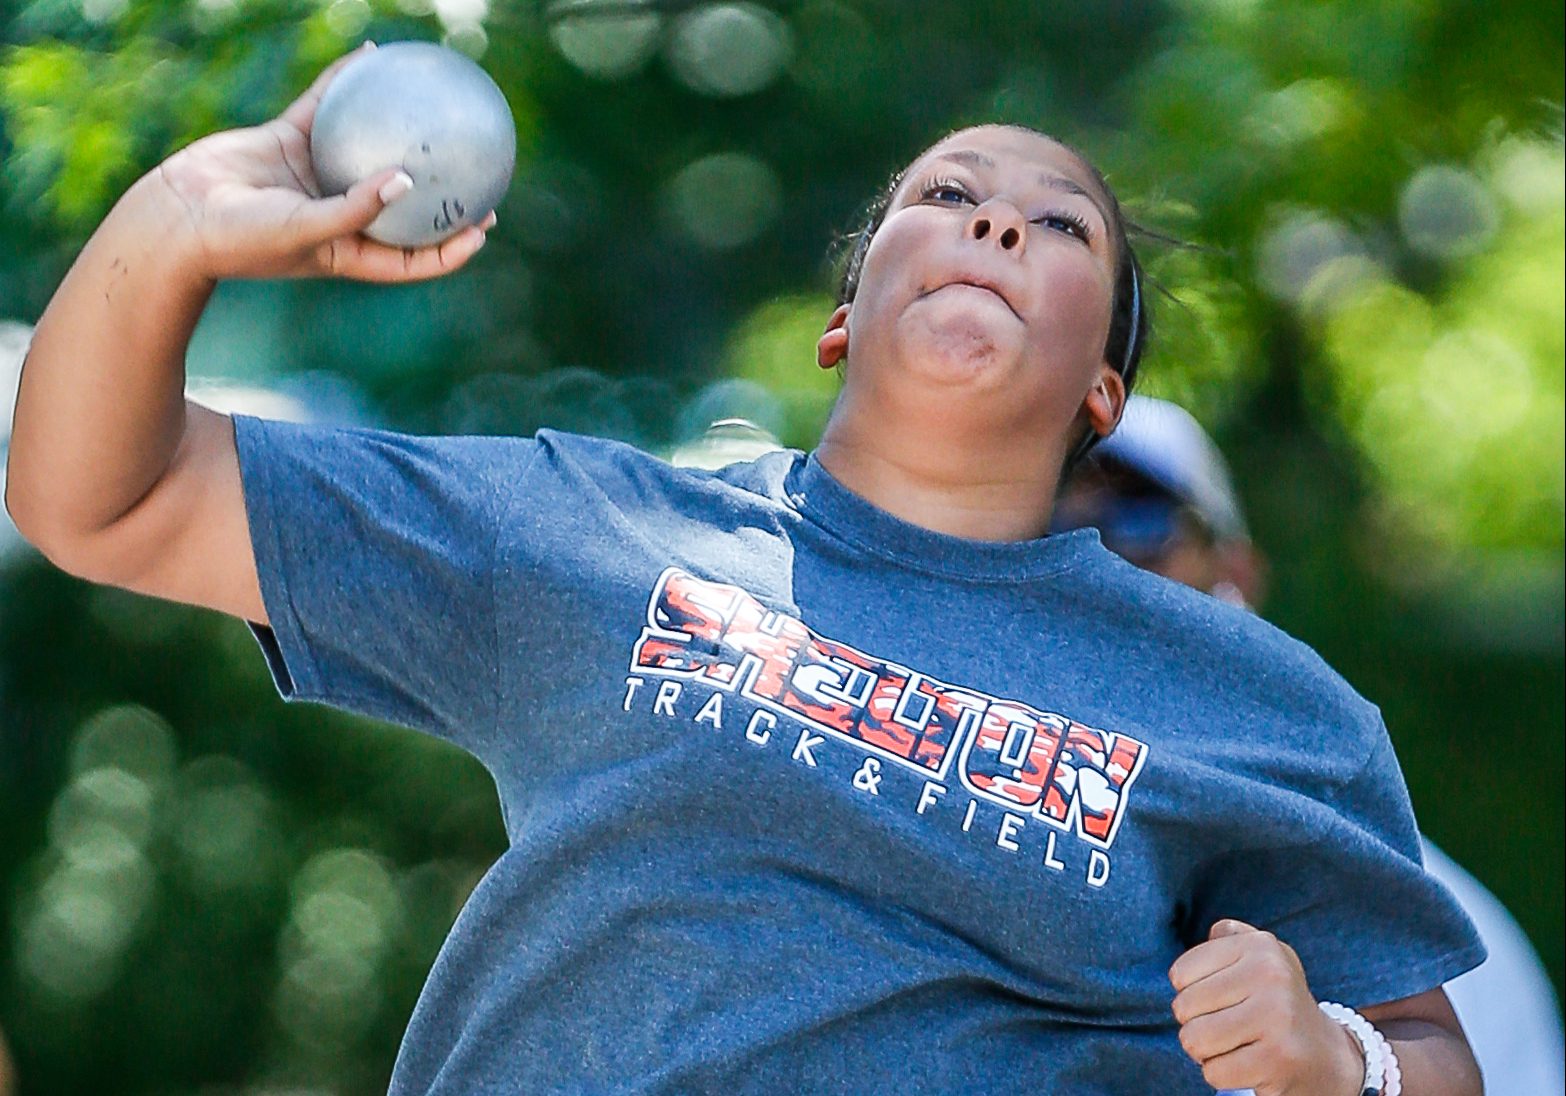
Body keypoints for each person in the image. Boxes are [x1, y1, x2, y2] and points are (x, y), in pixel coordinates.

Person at [4, 43, 1486, 1094]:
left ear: (1102, 387)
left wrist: (1334, 1064)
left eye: (1054, 227)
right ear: (844, 320)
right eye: (947, 196)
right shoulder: (582, 531)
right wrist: (181, 221)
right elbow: (106, 499)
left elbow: (1435, 1057)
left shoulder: (1251, 702)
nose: (992, 219)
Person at [1055, 393, 1566, 1095]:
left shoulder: (1433, 931)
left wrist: (1344, 1063)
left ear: (1239, 573)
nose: (1096, 557)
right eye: (1055, 524)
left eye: (1139, 520)